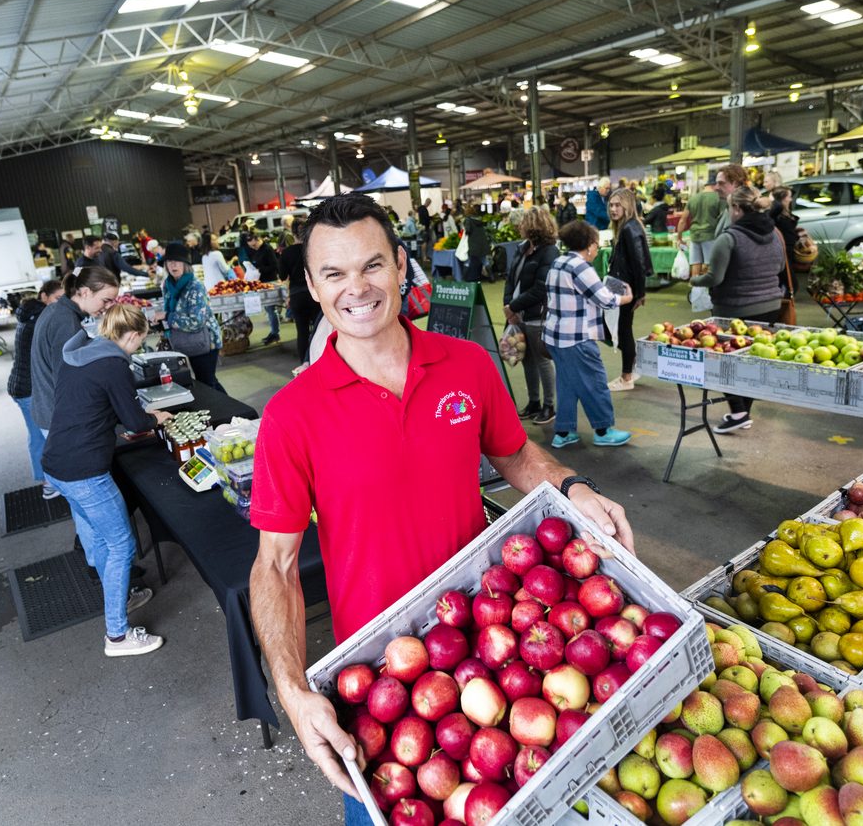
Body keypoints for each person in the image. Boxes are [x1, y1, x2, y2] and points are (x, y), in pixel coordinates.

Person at [246, 194, 634, 823]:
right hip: (382, 684)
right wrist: (291, 690)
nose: (357, 289)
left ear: (402, 265)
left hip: (497, 645)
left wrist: (571, 486)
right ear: (313, 287)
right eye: (335, 274)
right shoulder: (292, 416)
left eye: (372, 266)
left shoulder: (467, 364)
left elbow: (514, 454)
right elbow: (275, 566)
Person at [42, 304, 170, 658]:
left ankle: (120, 598)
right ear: (132, 335)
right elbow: (135, 422)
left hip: (57, 463)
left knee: (98, 538)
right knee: (121, 545)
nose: (137, 349)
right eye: (139, 342)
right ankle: (117, 636)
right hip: (85, 472)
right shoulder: (115, 365)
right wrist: (154, 417)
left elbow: (86, 405)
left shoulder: (79, 352)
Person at [691, 187, 786, 434]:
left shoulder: (729, 237)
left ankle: (738, 411)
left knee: (724, 362)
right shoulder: (774, 232)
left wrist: (692, 280)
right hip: (771, 306)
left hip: (736, 309)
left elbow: (715, 278)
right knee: (752, 359)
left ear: (735, 209)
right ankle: (744, 411)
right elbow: (779, 266)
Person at [545, 220, 634, 449]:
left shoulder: (559, 262)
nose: (596, 249)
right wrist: (626, 298)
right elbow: (604, 299)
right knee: (594, 383)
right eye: (596, 245)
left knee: (567, 384)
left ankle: (563, 432)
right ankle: (603, 430)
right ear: (590, 245)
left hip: (555, 337)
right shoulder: (581, 266)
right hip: (577, 338)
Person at [31, 265, 121, 440]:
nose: (108, 307)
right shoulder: (67, 324)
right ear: (85, 292)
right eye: (106, 300)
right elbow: (69, 382)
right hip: (61, 420)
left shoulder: (54, 310)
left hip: (47, 409)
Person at [7, 280, 65, 496]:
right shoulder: (40, 319)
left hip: (21, 385)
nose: (60, 303)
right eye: (57, 299)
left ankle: (47, 480)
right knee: (41, 436)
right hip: (27, 388)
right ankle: (48, 484)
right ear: (44, 296)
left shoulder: (30, 315)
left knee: (37, 435)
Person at [503, 207, 558, 425]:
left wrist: (513, 306)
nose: (519, 226)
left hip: (538, 315)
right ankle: (534, 402)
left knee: (542, 360)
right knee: (527, 360)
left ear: (533, 225)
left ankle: (549, 406)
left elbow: (541, 289)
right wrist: (509, 306)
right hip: (519, 314)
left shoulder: (549, 252)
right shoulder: (522, 248)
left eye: (524, 222)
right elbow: (510, 279)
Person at [159, 242, 226, 393]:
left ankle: (229, 413)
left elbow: (196, 321)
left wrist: (168, 317)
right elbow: (169, 310)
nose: (173, 265)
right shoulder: (167, 286)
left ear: (185, 264)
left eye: (177, 261)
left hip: (205, 341)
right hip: (185, 340)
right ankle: (235, 412)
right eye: (169, 261)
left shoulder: (195, 286)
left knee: (207, 382)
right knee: (208, 381)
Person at [606, 188, 652, 392]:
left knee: (622, 330)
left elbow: (639, 263)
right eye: (611, 205)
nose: (613, 209)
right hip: (621, 286)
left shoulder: (629, 229)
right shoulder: (627, 227)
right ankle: (632, 365)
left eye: (618, 205)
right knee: (615, 329)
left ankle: (627, 376)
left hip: (626, 288)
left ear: (627, 206)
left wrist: (640, 293)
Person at [279, 220, 320, 365]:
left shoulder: (287, 253)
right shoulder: (313, 249)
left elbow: (282, 276)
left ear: (292, 233)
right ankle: (320, 360)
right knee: (319, 329)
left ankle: (305, 363)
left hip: (297, 296)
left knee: (302, 332)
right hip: (315, 295)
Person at [677, 183, 725, 277]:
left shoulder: (693, 198)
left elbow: (682, 220)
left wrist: (679, 237)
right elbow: (723, 218)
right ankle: (708, 289)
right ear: (715, 185)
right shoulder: (718, 198)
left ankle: (695, 288)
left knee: (696, 263)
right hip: (710, 235)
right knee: (709, 265)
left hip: (695, 235)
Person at [770, 186, 800, 295]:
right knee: (791, 284)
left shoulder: (787, 212)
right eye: (789, 197)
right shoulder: (776, 212)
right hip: (783, 251)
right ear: (782, 198)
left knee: (787, 282)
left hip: (790, 250)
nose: (791, 199)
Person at [712, 164, 751, 237]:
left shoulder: (744, 211)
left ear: (735, 184)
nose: (716, 187)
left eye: (721, 183)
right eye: (716, 183)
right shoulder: (728, 208)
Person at [461, 211, 490, 282]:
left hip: (473, 244)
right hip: (482, 244)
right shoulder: (479, 221)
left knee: (467, 261)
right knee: (485, 261)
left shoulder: (468, 220)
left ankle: (464, 279)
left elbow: (468, 231)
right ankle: (491, 277)